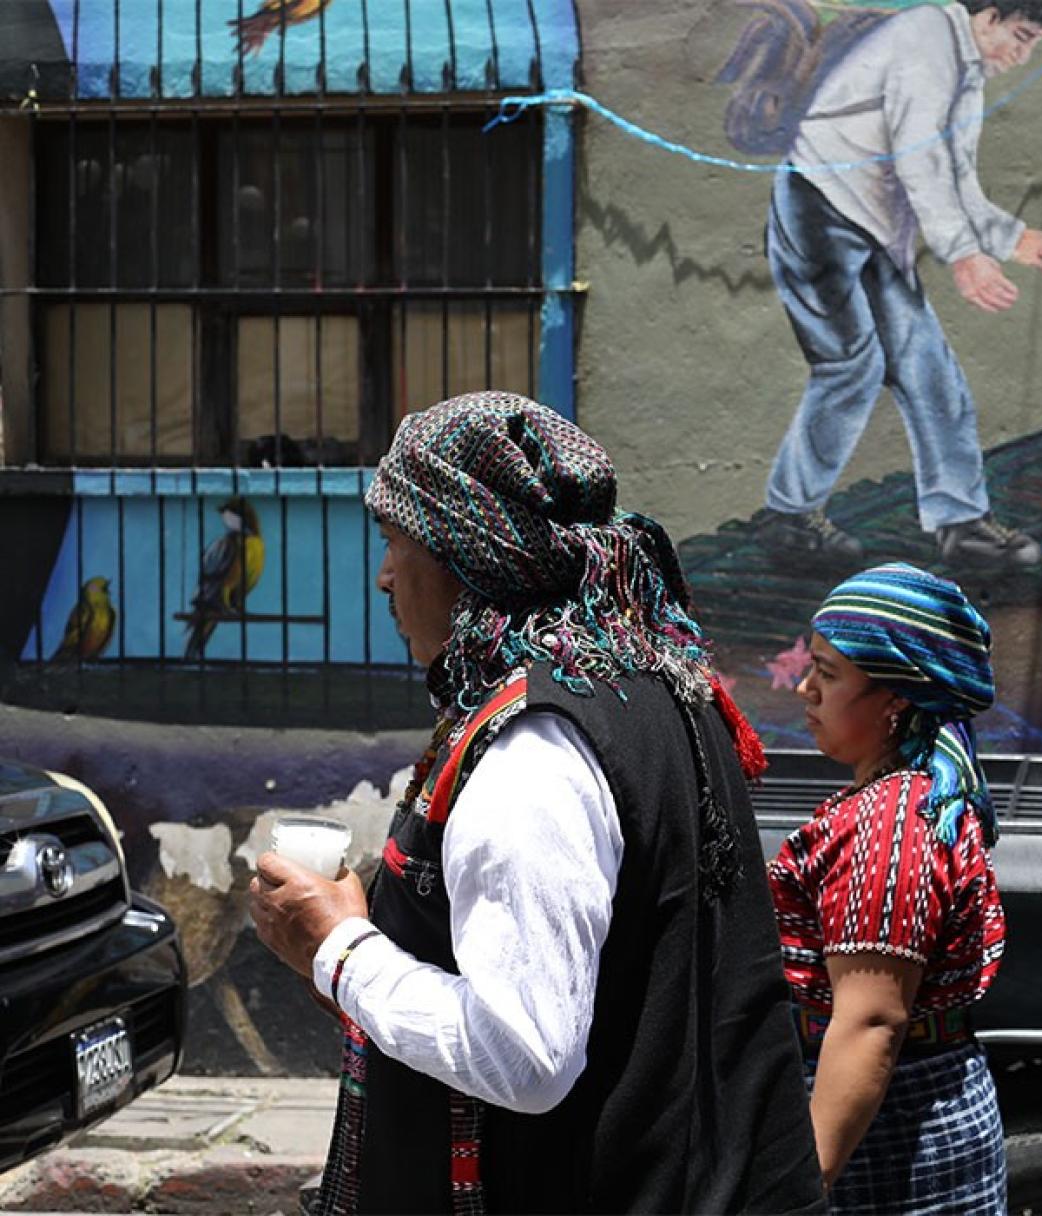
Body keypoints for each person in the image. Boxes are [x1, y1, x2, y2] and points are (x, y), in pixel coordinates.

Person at [247, 391, 826, 1214]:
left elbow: (523, 1057)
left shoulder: (531, 751)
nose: (382, 576)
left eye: (393, 541)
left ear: (462, 553)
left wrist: (339, 949)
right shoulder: (658, 682)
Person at [756, 0, 1042, 572]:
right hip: (819, 208)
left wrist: (1014, 239)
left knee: (928, 368)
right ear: (987, 18)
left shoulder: (966, 70)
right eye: (1022, 35)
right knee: (849, 367)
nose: (1024, 54)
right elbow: (921, 164)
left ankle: (962, 525)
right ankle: (789, 518)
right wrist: (964, 257)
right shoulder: (927, 40)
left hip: (874, 227)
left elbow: (956, 181)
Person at [767, 562, 1008, 1212]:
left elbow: (871, 1019)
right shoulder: (902, 801)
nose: (805, 690)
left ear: (897, 696)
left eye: (830, 673)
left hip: (887, 1133)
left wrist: (801, 1187)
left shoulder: (888, 824)